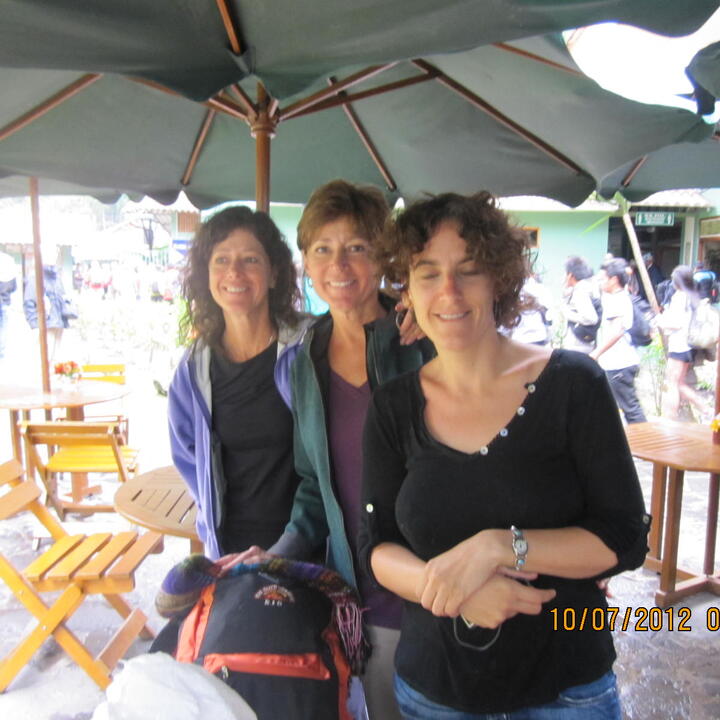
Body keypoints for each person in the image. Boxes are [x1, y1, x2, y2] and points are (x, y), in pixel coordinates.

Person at [359, 192, 649, 719]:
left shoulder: (573, 384)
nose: (449, 290)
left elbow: (623, 538)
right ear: (407, 291)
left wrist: (499, 548)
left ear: (499, 279)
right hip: (435, 693)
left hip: (566, 691)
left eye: (469, 270)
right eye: (428, 273)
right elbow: (377, 546)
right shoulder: (392, 406)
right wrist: (456, 591)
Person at [235, 180, 432, 720]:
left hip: (429, 592)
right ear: (305, 261)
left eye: (356, 247)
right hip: (356, 597)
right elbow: (313, 485)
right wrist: (279, 553)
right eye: (322, 248)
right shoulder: (306, 358)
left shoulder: (422, 341)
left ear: (383, 257)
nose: (338, 265)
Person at [168, 206, 312, 559]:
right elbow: (189, 459)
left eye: (250, 259)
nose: (234, 272)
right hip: (230, 555)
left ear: (274, 273)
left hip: (307, 551)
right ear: (206, 275)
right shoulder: (193, 370)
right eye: (221, 260)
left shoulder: (310, 347)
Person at [591, 258, 647, 424]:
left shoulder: (618, 300)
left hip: (619, 364)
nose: (600, 282)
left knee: (631, 409)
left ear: (614, 280)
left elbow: (617, 331)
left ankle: (644, 438)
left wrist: (596, 353)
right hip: (615, 363)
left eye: (602, 278)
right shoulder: (616, 298)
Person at [656, 265, 708, 420]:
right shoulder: (692, 295)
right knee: (679, 383)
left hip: (679, 345)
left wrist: (660, 321)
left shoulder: (679, 297)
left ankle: (670, 419)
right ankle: (706, 409)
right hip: (688, 345)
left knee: (672, 383)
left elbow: (676, 323)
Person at [23, 256, 70, 363]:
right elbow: (29, 302)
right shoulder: (35, 278)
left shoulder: (56, 278)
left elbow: (62, 298)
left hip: (58, 323)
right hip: (44, 325)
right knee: (42, 359)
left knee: (56, 359)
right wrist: (35, 323)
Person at [561, 255, 600, 354]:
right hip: (585, 342)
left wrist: (567, 314)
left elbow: (591, 318)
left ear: (570, 275)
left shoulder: (580, 291)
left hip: (578, 345)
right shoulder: (588, 286)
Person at [505, 273, 553, 346]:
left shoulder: (515, 290)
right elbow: (549, 317)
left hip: (520, 339)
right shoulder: (543, 290)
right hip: (540, 336)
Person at [0, 250, 18, 361]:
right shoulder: (9, 269)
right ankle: (1, 351)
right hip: (5, 302)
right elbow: (14, 287)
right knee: (4, 328)